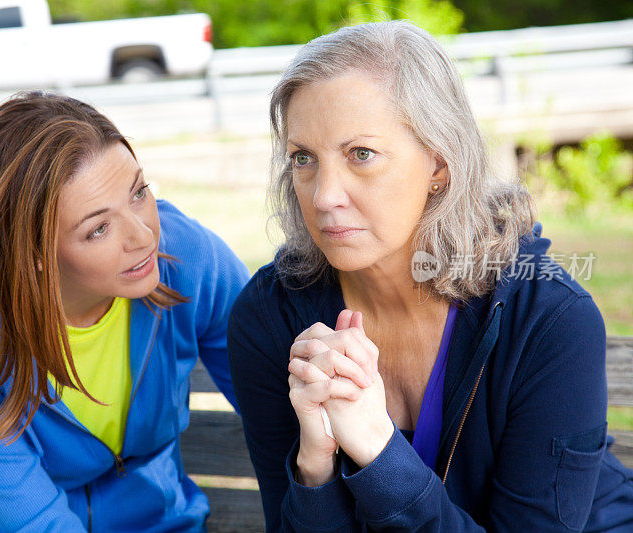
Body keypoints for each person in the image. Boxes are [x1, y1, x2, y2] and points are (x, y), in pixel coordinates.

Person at [227, 20, 633, 532]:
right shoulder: (270, 317)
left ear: (439, 163)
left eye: (362, 155)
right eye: (304, 158)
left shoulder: (548, 321)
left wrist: (378, 451)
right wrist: (315, 467)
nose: (323, 195)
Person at [0, 91, 249, 532]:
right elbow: (36, 524)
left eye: (139, 193)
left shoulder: (184, 258)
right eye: (98, 228)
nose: (144, 235)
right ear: (33, 252)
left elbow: (280, 409)